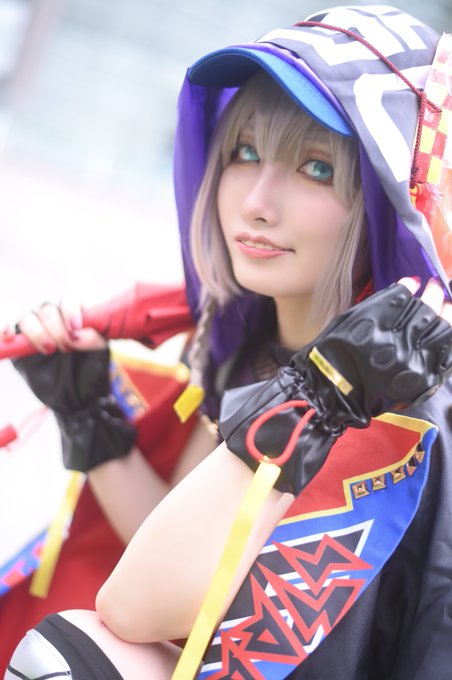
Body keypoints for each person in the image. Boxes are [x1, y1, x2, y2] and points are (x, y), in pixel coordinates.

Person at [4, 4, 452, 679]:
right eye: (245, 153)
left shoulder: (411, 408)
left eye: (316, 168)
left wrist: (317, 402)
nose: (256, 202)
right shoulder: (247, 339)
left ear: (392, 201)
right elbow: (175, 569)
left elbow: (137, 610)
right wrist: (89, 417)